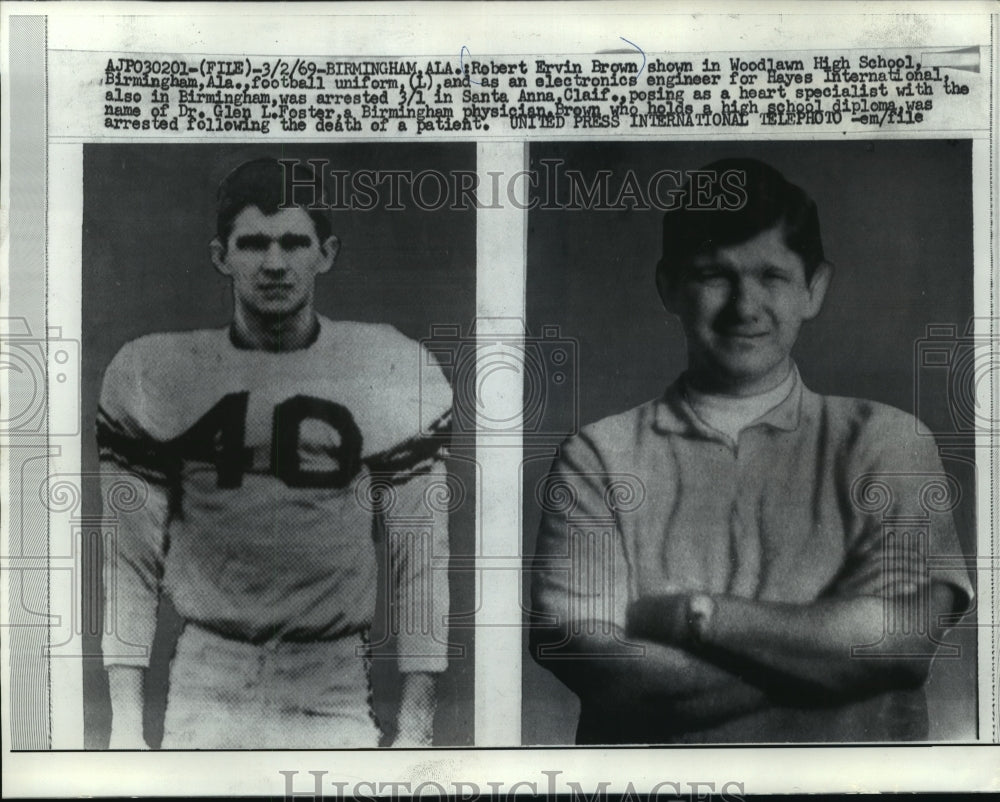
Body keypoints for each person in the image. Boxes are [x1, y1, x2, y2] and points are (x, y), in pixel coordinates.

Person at [530, 157, 974, 744]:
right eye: (715, 275)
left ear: (814, 289)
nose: (745, 306)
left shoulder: (889, 441)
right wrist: (835, 659)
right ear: (669, 288)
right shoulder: (597, 457)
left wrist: (696, 615)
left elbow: (899, 649)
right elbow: (611, 679)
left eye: (772, 276)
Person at [98, 157, 453, 749]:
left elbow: (420, 555)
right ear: (221, 256)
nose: (274, 263)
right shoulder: (158, 373)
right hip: (207, 678)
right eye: (254, 243)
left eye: (293, 242)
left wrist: (416, 727)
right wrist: (125, 727)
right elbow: (128, 559)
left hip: (332, 678)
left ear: (327, 252)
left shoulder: (386, 367)